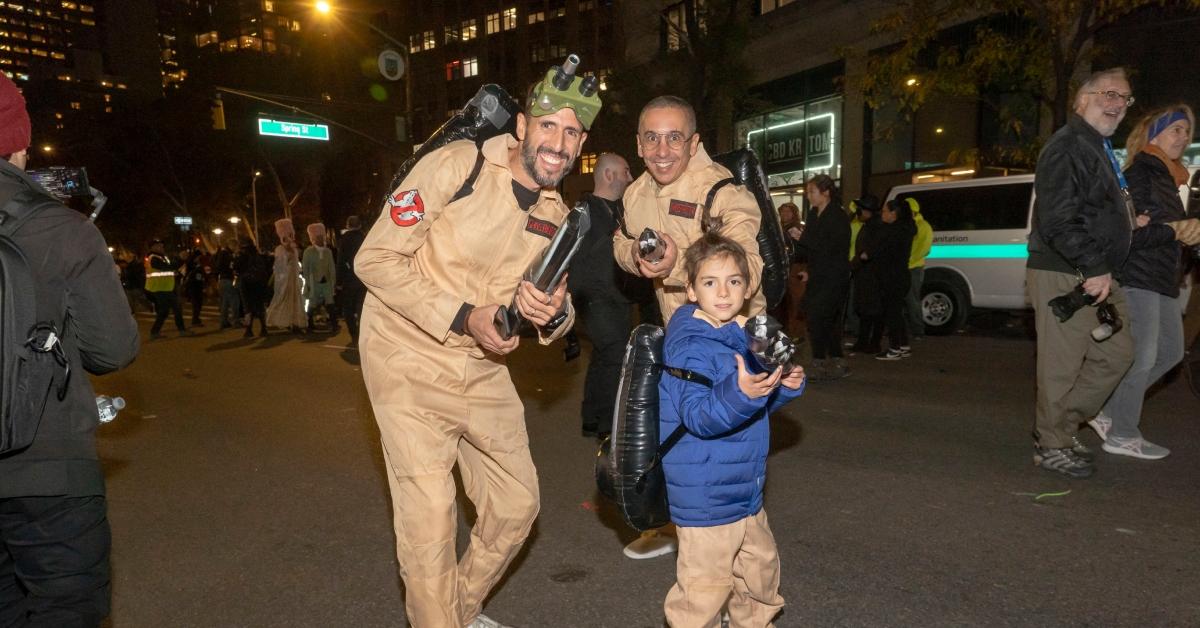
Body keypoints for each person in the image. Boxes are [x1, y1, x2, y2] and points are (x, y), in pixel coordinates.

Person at [354, 66, 598, 628]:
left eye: (571, 134)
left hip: (481, 366)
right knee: (431, 519)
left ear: (582, 144)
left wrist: (553, 312)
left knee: (517, 506)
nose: (557, 144)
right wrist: (466, 316)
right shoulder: (455, 166)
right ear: (521, 125)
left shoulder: (555, 215)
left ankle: (455, 611)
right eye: (548, 127)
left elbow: (558, 313)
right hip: (406, 357)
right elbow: (374, 260)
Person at [0, 71, 140, 627]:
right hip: (49, 470)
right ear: (18, 142)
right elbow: (113, 349)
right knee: (65, 609)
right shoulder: (64, 230)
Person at [612, 95, 765, 561]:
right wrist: (636, 257)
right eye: (652, 138)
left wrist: (680, 267)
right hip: (680, 340)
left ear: (693, 141)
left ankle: (726, 572)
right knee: (680, 444)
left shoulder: (722, 192)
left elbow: (748, 267)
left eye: (674, 137)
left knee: (723, 460)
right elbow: (621, 240)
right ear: (639, 144)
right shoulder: (635, 193)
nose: (663, 149)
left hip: (729, 343)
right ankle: (691, 531)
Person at [658, 231, 805, 626]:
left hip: (744, 488)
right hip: (706, 495)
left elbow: (755, 401)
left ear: (747, 286)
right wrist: (739, 394)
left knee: (759, 577)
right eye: (710, 282)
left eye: (734, 281)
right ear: (690, 289)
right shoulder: (689, 344)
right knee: (702, 596)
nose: (723, 293)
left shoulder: (747, 331)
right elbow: (700, 417)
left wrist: (785, 387)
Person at [1026, 67, 1139, 479]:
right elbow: (1057, 219)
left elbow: (1093, 208)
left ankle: (1059, 427)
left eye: (1124, 98)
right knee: (1061, 366)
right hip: (1067, 272)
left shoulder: (1097, 146)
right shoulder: (1069, 145)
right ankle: (1052, 442)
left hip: (1098, 272)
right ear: (1081, 100)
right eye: (1108, 94)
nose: (1117, 104)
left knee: (1119, 353)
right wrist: (1093, 266)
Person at [1088, 104, 1200, 459]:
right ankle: (1122, 432)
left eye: (1187, 131)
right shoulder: (1141, 172)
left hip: (1163, 279)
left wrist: (1184, 241)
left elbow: (1165, 231)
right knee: (1144, 355)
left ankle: (1106, 412)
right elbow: (1129, 234)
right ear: (1153, 133)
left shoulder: (1170, 176)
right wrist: (1174, 231)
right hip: (1139, 276)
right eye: (1175, 129)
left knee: (1169, 354)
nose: (1183, 137)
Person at [568, 153, 635, 438]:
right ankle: (610, 428)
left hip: (617, 298)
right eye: (626, 171)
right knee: (617, 356)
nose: (630, 178)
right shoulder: (584, 211)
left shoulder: (623, 209)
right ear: (609, 175)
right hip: (594, 298)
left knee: (604, 356)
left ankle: (591, 416)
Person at [794, 174, 851, 380]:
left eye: (812, 191)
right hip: (818, 274)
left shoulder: (837, 216)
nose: (809, 196)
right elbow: (812, 248)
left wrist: (805, 238)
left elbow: (833, 248)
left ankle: (823, 360)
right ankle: (831, 359)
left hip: (834, 276)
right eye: (808, 192)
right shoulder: (813, 214)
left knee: (823, 317)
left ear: (826, 192)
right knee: (818, 317)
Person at [866, 199, 917, 361]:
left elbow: (878, 250)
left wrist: (868, 253)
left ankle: (894, 347)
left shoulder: (893, 231)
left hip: (892, 276)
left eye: (885, 211)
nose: (883, 214)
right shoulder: (905, 229)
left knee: (892, 313)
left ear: (894, 214)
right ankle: (903, 345)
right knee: (897, 312)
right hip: (900, 275)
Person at [849, 196, 884, 355]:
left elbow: (868, 252)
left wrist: (852, 265)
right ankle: (864, 342)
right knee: (866, 310)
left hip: (871, 275)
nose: (858, 212)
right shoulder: (870, 225)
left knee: (872, 311)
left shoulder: (874, 226)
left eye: (860, 209)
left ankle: (872, 343)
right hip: (866, 274)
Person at [773, 201, 806, 340]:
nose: (785, 214)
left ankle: (797, 334)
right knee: (786, 303)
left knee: (795, 302)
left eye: (788, 212)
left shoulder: (794, 229)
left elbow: (801, 250)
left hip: (796, 268)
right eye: (783, 211)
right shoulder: (781, 228)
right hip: (787, 269)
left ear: (794, 214)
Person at [144, 238, 190, 339]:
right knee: (174, 308)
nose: (162, 247)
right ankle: (181, 330)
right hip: (159, 288)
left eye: (162, 245)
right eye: (159, 246)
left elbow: (169, 269)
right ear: (153, 247)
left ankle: (155, 332)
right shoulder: (154, 258)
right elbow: (168, 268)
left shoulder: (161, 257)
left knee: (166, 310)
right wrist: (180, 259)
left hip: (165, 288)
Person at [266, 218, 306, 333]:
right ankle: (280, 321)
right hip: (284, 281)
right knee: (282, 299)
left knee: (295, 301)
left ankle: (294, 322)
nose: (291, 237)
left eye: (291, 234)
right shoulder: (280, 249)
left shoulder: (294, 249)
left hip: (294, 279)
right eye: (288, 235)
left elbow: (297, 264)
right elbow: (279, 266)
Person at [904, 199, 933, 340]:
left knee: (912, 300)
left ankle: (918, 331)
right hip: (906, 267)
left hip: (913, 268)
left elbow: (923, 249)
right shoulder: (909, 225)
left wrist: (906, 261)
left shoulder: (923, 226)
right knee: (908, 300)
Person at [336, 215, 367, 346]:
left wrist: (338, 281)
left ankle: (354, 333)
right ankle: (363, 331)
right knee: (362, 307)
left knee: (348, 308)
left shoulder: (344, 240)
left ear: (348, 225)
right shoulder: (365, 238)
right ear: (359, 225)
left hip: (349, 278)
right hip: (364, 278)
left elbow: (341, 261)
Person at [302, 222, 338, 333]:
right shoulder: (309, 251)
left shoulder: (328, 251)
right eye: (319, 237)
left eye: (322, 237)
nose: (321, 239)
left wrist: (333, 281)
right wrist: (308, 283)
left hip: (326, 282)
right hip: (314, 282)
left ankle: (334, 324)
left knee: (330, 302)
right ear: (314, 238)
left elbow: (332, 267)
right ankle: (309, 324)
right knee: (312, 304)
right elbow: (305, 268)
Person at [234, 239, 270, 338]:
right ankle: (263, 328)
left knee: (248, 307)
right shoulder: (258, 256)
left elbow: (236, 267)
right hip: (259, 284)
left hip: (246, 283)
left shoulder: (242, 256)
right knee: (259, 306)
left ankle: (249, 330)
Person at [213, 243, 241, 328]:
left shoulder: (221, 254)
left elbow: (217, 266)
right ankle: (235, 321)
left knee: (224, 302)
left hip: (222, 280)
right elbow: (233, 266)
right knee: (234, 301)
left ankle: (224, 321)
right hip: (228, 279)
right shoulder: (229, 256)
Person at [183, 247, 209, 327]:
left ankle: (196, 319)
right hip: (194, 286)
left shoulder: (195, 264)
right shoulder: (192, 265)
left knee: (198, 303)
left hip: (196, 285)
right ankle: (195, 319)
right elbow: (195, 276)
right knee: (196, 304)